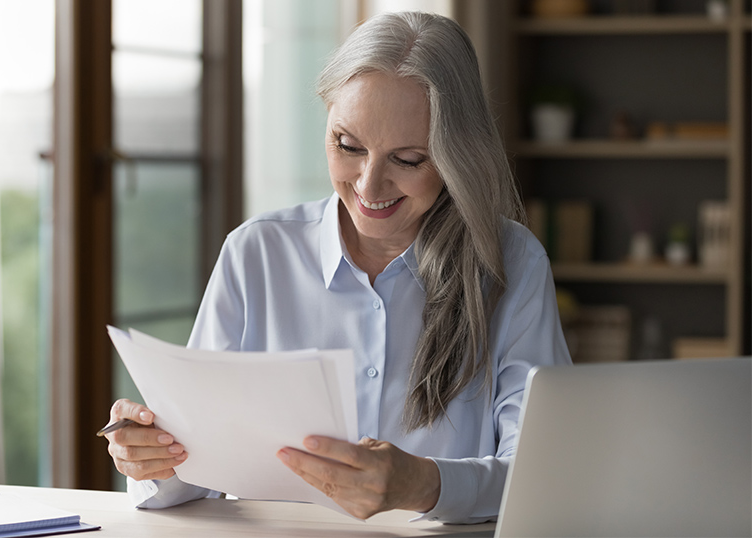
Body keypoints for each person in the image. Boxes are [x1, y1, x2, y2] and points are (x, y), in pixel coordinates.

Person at [104, 11, 571, 524]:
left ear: (456, 154)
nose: (369, 187)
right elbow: (197, 470)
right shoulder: (255, 254)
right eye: (348, 146)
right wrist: (154, 461)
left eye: (409, 159)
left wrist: (425, 484)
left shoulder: (510, 263)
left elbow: (547, 475)